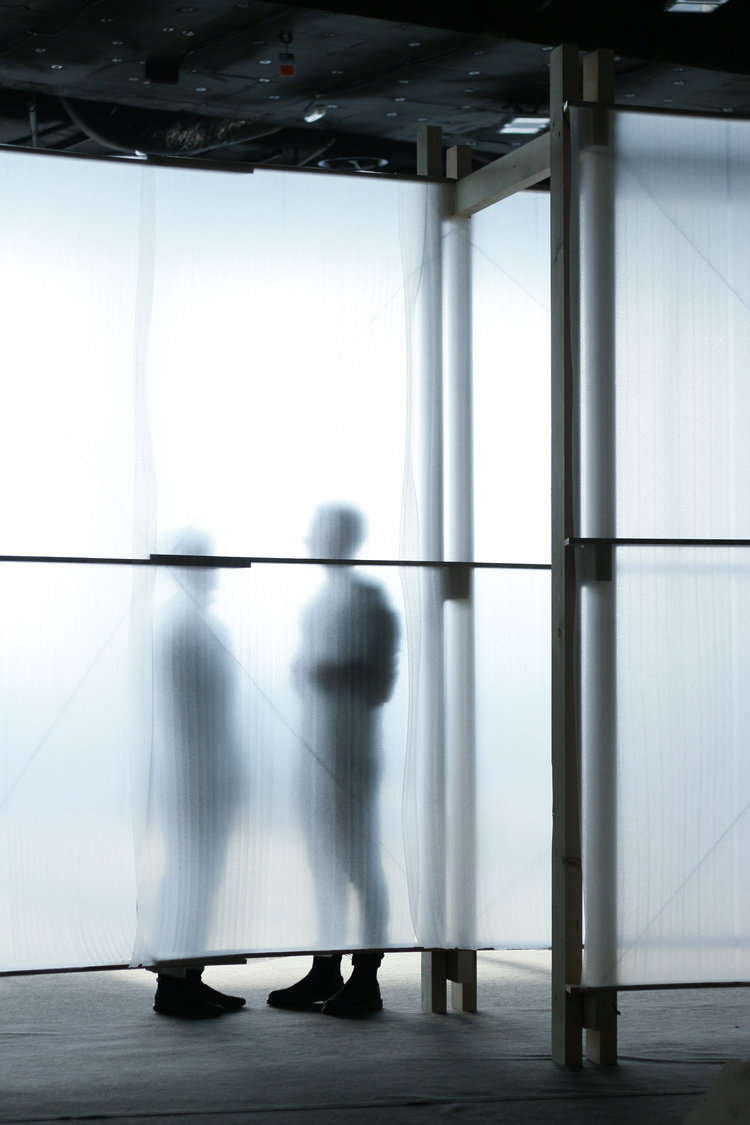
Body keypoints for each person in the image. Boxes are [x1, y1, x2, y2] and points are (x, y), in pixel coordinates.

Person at [267, 505, 399, 1018]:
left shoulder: (368, 603)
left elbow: (379, 684)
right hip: (318, 748)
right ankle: (327, 967)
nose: (313, 543)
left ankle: (366, 977)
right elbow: (306, 676)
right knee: (323, 861)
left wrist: (331, 673)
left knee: (359, 861)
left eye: (321, 534)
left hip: (352, 755)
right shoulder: (321, 604)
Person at [149, 531, 247, 1019]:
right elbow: (203, 712)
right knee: (194, 874)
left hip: (197, 769)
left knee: (195, 875)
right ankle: (177, 984)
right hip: (197, 772)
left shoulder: (184, 623)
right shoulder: (188, 627)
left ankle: (186, 977)